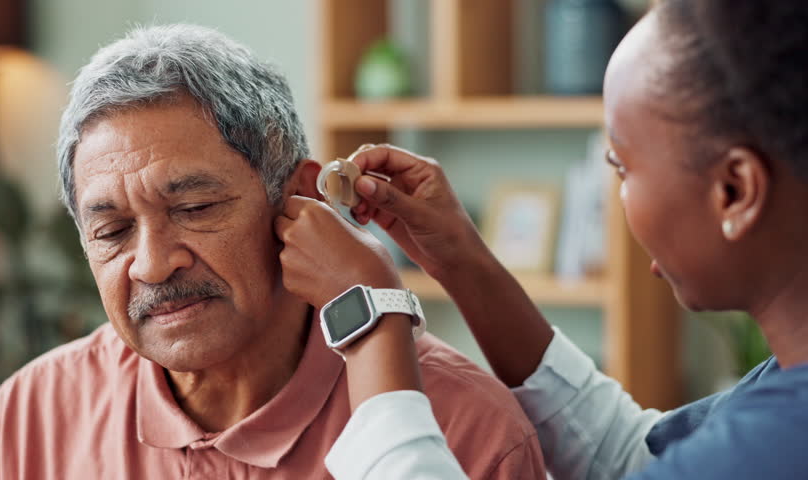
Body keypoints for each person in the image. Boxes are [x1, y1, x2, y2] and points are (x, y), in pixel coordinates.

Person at [0, 24, 547, 479]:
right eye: (112, 231)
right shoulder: (34, 414)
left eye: (195, 210)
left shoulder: (469, 431)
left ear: (299, 197)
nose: (152, 263)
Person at [276, 0, 808, 479]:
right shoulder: (777, 390)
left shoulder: (772, 445)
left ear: (735, 191)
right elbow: (632, 456)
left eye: (621, 167)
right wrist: (461, 259)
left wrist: (368, 316)